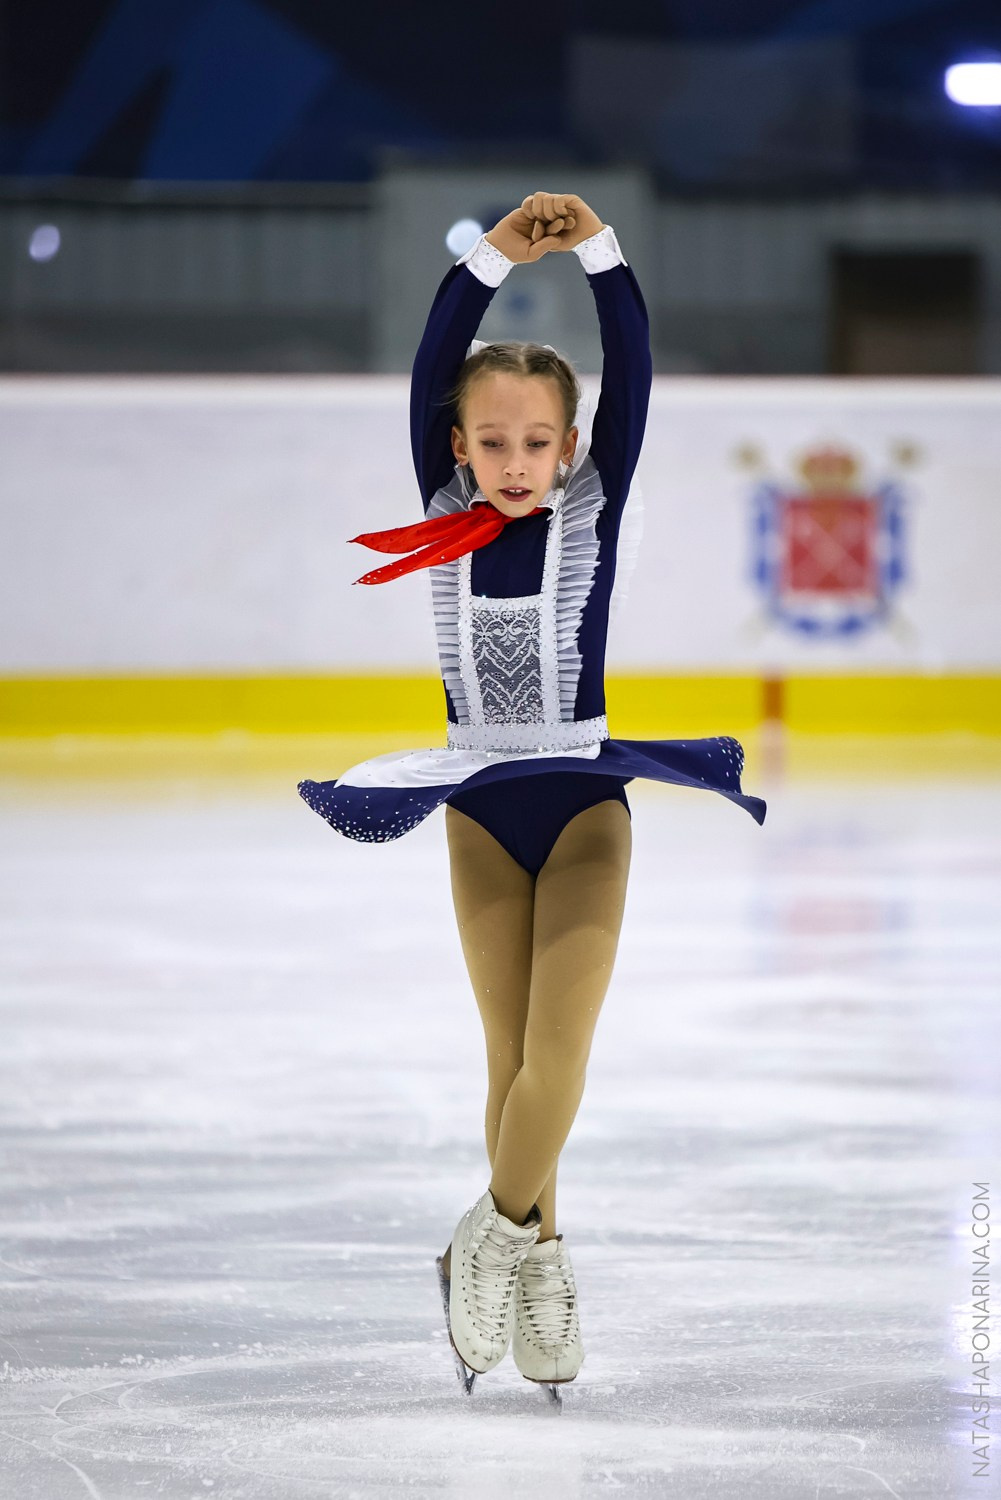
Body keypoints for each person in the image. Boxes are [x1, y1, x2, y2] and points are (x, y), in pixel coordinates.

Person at [298, 191, 767, 1400]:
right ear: (458, 447)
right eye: (491, 441)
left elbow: (635, 355)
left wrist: (598, 249)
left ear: (569, 447)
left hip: (583, 807)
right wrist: (496, 252)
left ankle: (486, 1241)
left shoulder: (592, 510)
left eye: (534, 442)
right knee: (505, 1056)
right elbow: (432, 355)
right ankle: (544, 1257)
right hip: (474, 805)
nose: (512, 462)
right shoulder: (443, 513)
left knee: (558, 1051)